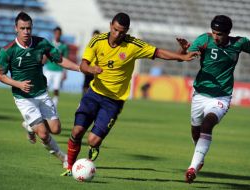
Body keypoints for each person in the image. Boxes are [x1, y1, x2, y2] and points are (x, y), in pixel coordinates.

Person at [61, 12, 199, 176]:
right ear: (110, 25)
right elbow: (83, 65)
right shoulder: (97, 41)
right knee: (76, 132)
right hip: (94, 93)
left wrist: (181, 57)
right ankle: (69, 166)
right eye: (115, 30)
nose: (118, 34)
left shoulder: (133, 45)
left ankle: (94, 147)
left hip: (113, 101)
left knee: (93, 140)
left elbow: (158, 52)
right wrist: (92, 69)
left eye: (122, 32)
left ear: (127, 31)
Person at [0, 12, 80, 168]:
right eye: (23, 28)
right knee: (43, 133)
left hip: (41, 93)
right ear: (16, 28)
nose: (26, 32)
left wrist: (80, 68)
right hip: (23, 98)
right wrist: (18, 84)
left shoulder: (41, 43)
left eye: (29, 28)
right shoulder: (8, 50)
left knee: (56, 129)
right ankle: (64, 159)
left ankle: (30, 126)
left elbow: (60, 59)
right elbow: (1, 76)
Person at [177, 15, 250, 184]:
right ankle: (199, 158)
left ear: (228, 33)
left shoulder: (239, 43)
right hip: (200, 94)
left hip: (221, 96)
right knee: (196, 131)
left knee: (207, 124)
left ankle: (192, 168)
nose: (216, 37)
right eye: (214, 33)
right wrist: (183, 50)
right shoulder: (204, 39)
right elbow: (184, 57)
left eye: (220, 34)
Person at [44, 26, 69, 109]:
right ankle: (44, 104)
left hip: (58, 70)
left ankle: (54, 106)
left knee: (56, 89)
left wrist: (65, 72)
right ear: (54, 34)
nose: (57, 35)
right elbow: (45, 56)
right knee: (45, 87)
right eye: (56, 33)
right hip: (49, 69)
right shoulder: (49, 44)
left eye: (59, 33)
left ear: (61, 34)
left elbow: (66, 59)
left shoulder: (64, 46)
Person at [82, 29, 100, 95]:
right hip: (88, 70)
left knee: (95, 90)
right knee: (85, 87)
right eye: (94, 36)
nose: (94, 38)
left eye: (96, 37)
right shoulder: (89, 46)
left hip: (96, 71)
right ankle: (83, 100)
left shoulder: (101, 48)